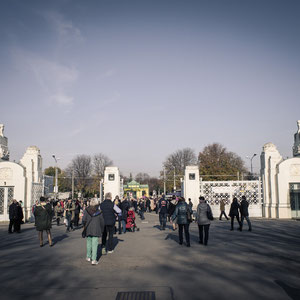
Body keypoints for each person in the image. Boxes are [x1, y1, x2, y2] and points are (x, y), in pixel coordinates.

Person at [82, 198, 105, 265]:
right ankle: (94, 259)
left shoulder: (86, 210)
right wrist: (102, 229)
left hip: (88, 228)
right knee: (95, 244)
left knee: (89, 243)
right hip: (96, 229)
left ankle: (88, 256)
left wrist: (84, 225)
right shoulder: (99, 212)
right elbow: (102, 222)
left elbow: (83, 220)